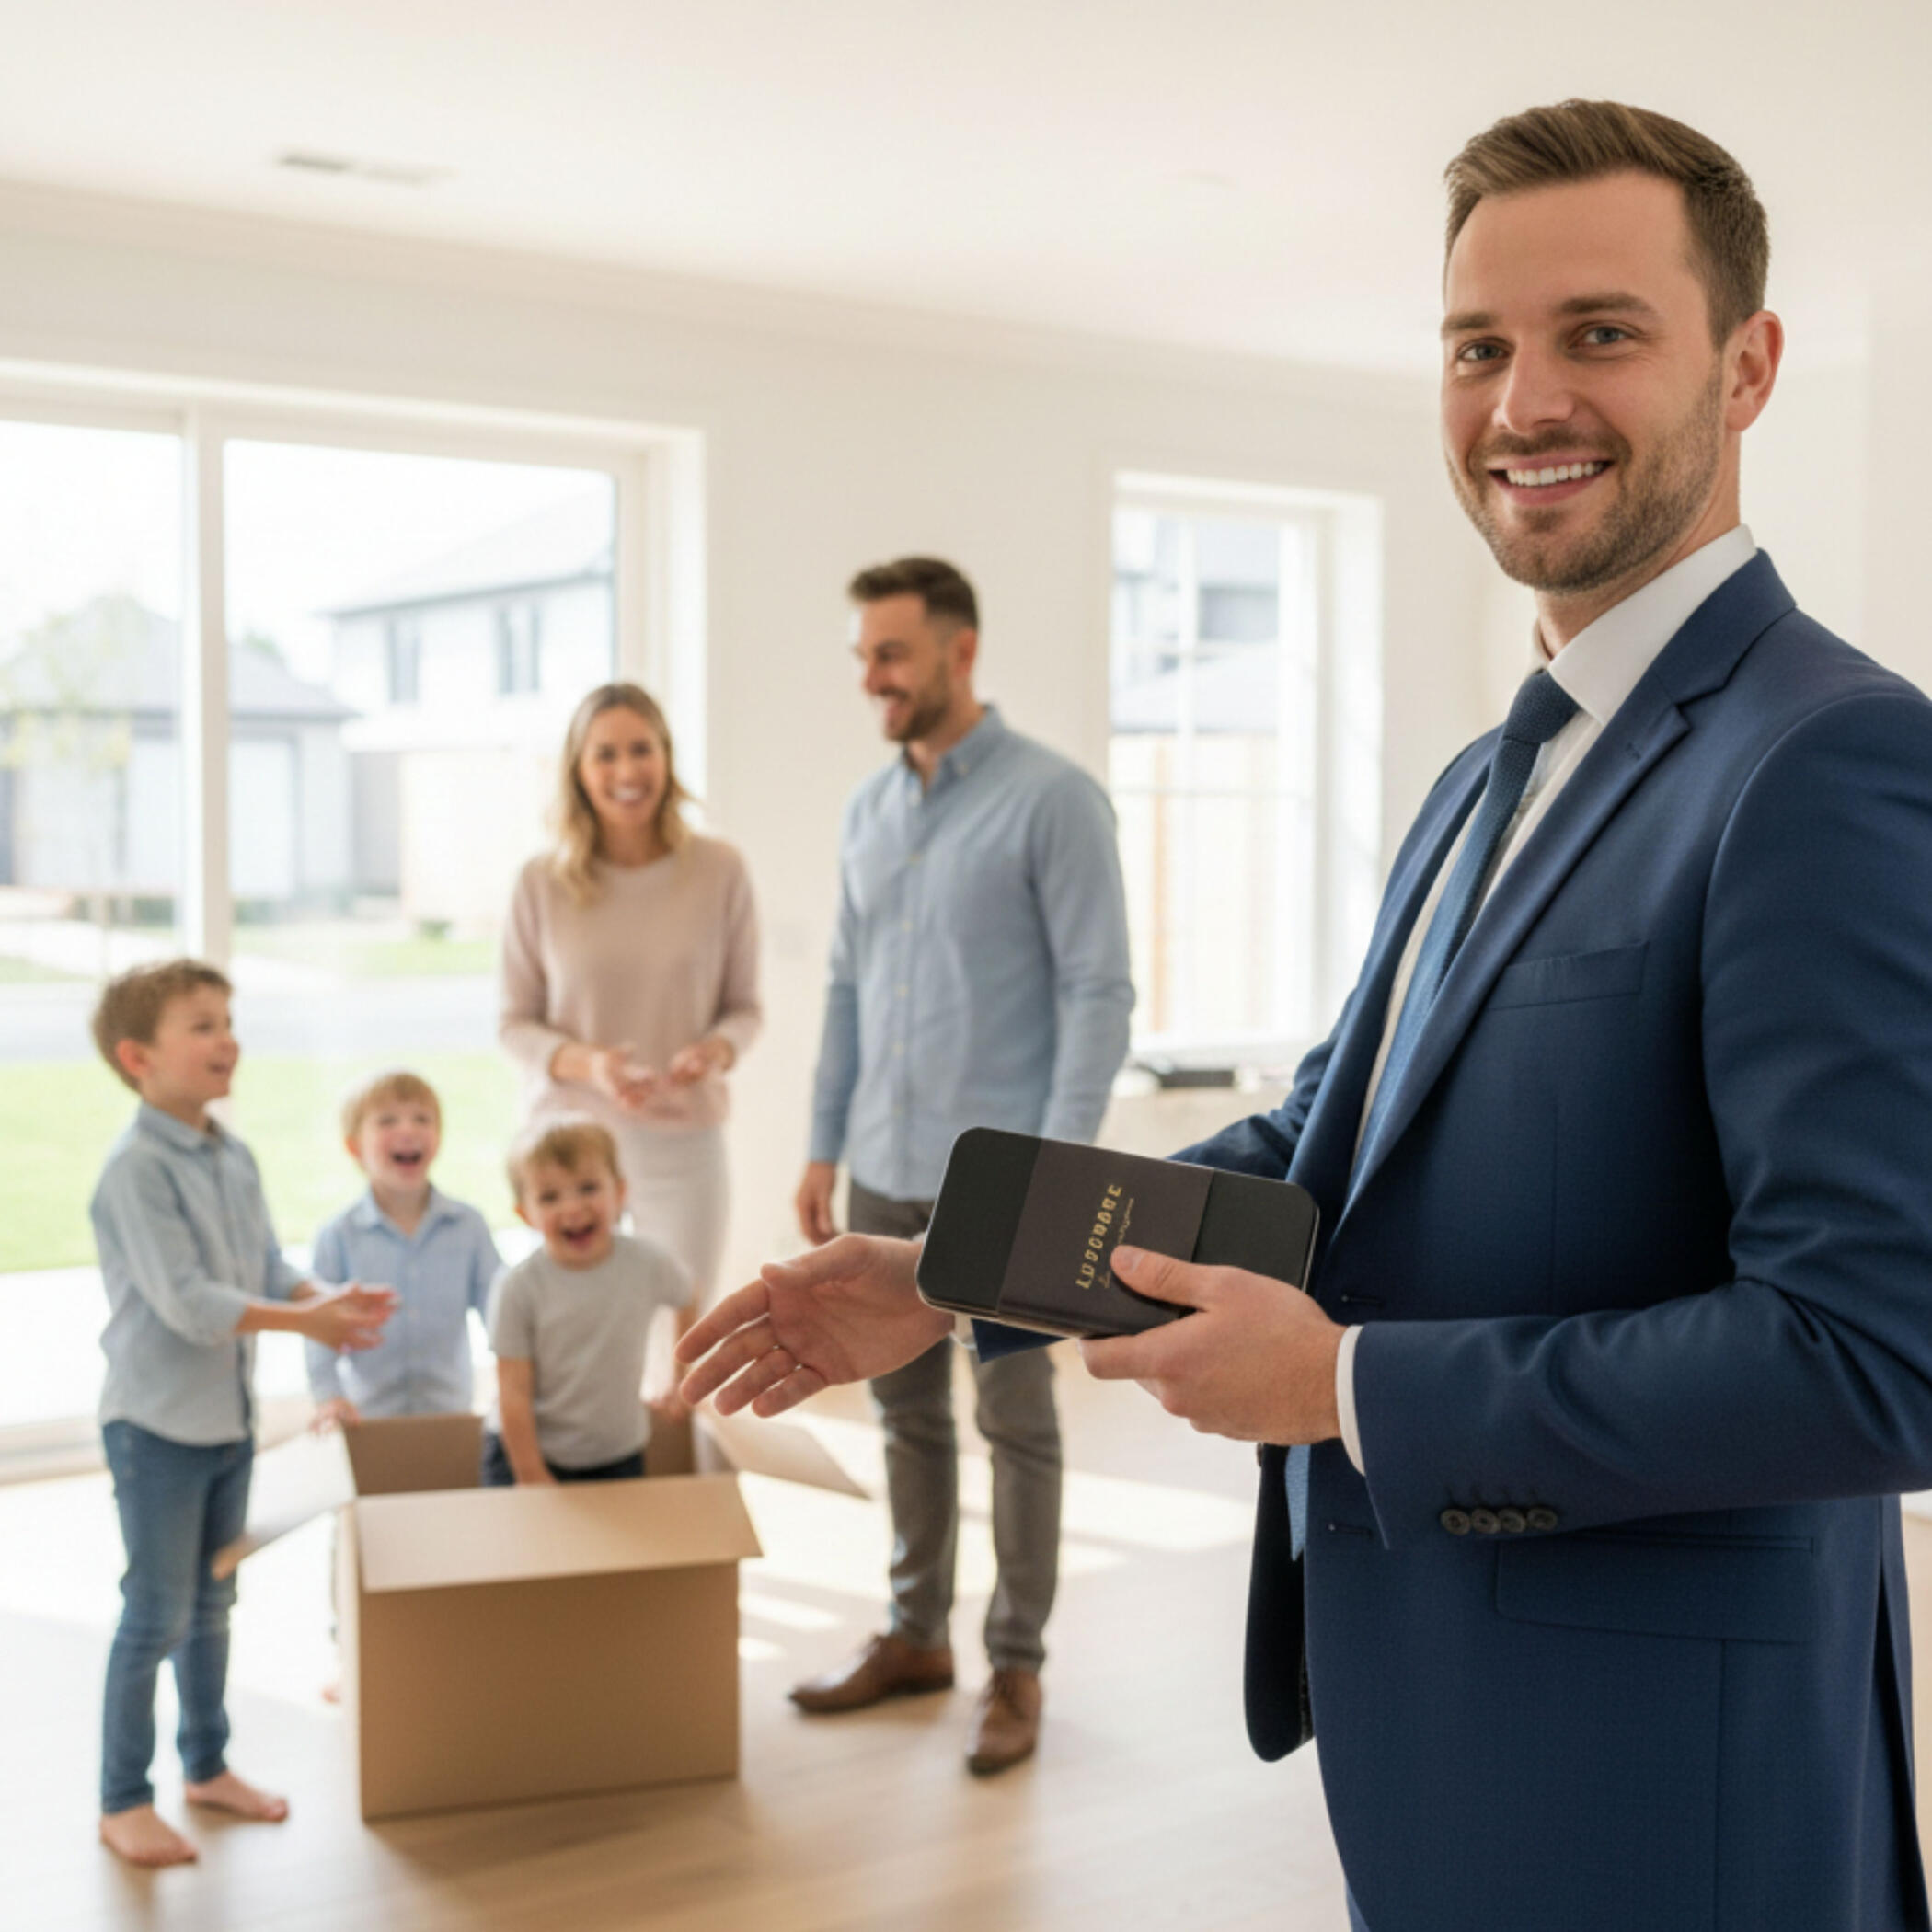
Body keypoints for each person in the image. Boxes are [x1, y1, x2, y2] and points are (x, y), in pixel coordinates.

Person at [680, 102, 1932, 1929]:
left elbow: (1879, 1353)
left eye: (1600, 333)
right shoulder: (1479, 782)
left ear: (1746, 368)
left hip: (1665, 1768)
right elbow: (1322, 1149)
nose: (1523, 403)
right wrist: (950, 1268)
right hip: (1434, 1716)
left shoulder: (1829, 759)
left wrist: (1348, 1388)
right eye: (1478, 347)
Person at [788, 556, 1133, 1777]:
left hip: (1001, 1180)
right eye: (863, 657)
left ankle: (1017, 1665)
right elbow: (843, 987)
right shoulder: (869, 812)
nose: (872, 678)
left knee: (1017, 1420)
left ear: (958, 651)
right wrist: (824, 1138)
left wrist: (1057, 1171)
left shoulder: (1054, 802)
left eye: (890, 653)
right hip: (881, 1156)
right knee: (903, 1413)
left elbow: (1099, 993)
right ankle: (913, 1633)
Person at [87, 960, 394, 1869]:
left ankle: (207, 1766)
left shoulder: (231, 1152)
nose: (228, 1040)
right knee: (155, 1612)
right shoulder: (134, 1172)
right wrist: (308, 1318)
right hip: (154, 1430)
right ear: (138, 1056)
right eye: (202, 1025)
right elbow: (190, 1305)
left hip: (226, 1422)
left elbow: (262, 1268)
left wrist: (328, 1296)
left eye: (228, 1020)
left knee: (214, 1601)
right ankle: (120, 1801)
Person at [500, 681, 760, 1309]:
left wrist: (715, 1053)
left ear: (666, 757)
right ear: (579, 770)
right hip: (568, 1143)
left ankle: (677, 1414)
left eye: (641, 749)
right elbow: (514, 1024)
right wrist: (594, 1065)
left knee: (683, 1328)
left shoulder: (718, 869)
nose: (626, 771)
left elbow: (744, 1008)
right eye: (605, 754)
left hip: (682, 1135)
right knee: (576, 1329)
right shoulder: (541, 883)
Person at [482, 1119, 693, 1486]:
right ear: (524, 1213)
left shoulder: (649, 1263)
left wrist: (680, 1379)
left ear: (620, 1192)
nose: (572, 1208)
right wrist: (530, 1471)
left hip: (617, 1450)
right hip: (529, 1453)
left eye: (588, 1188)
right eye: (549, 1197)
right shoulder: (517, 1287)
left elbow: (688, 1298)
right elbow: (512, 1392)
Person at [305, 1068, 502, 1428]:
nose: (408, 1130)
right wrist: (329, 1395)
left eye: (421, 1119)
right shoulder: (337, 1235)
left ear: (438, 1139)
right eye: (388, 1121)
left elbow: (499, 1311)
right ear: (355, 1147)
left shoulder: (468, 1226)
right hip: (368, 1418)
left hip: (451, 1412)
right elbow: (318, 1327)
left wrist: (511, 1379)